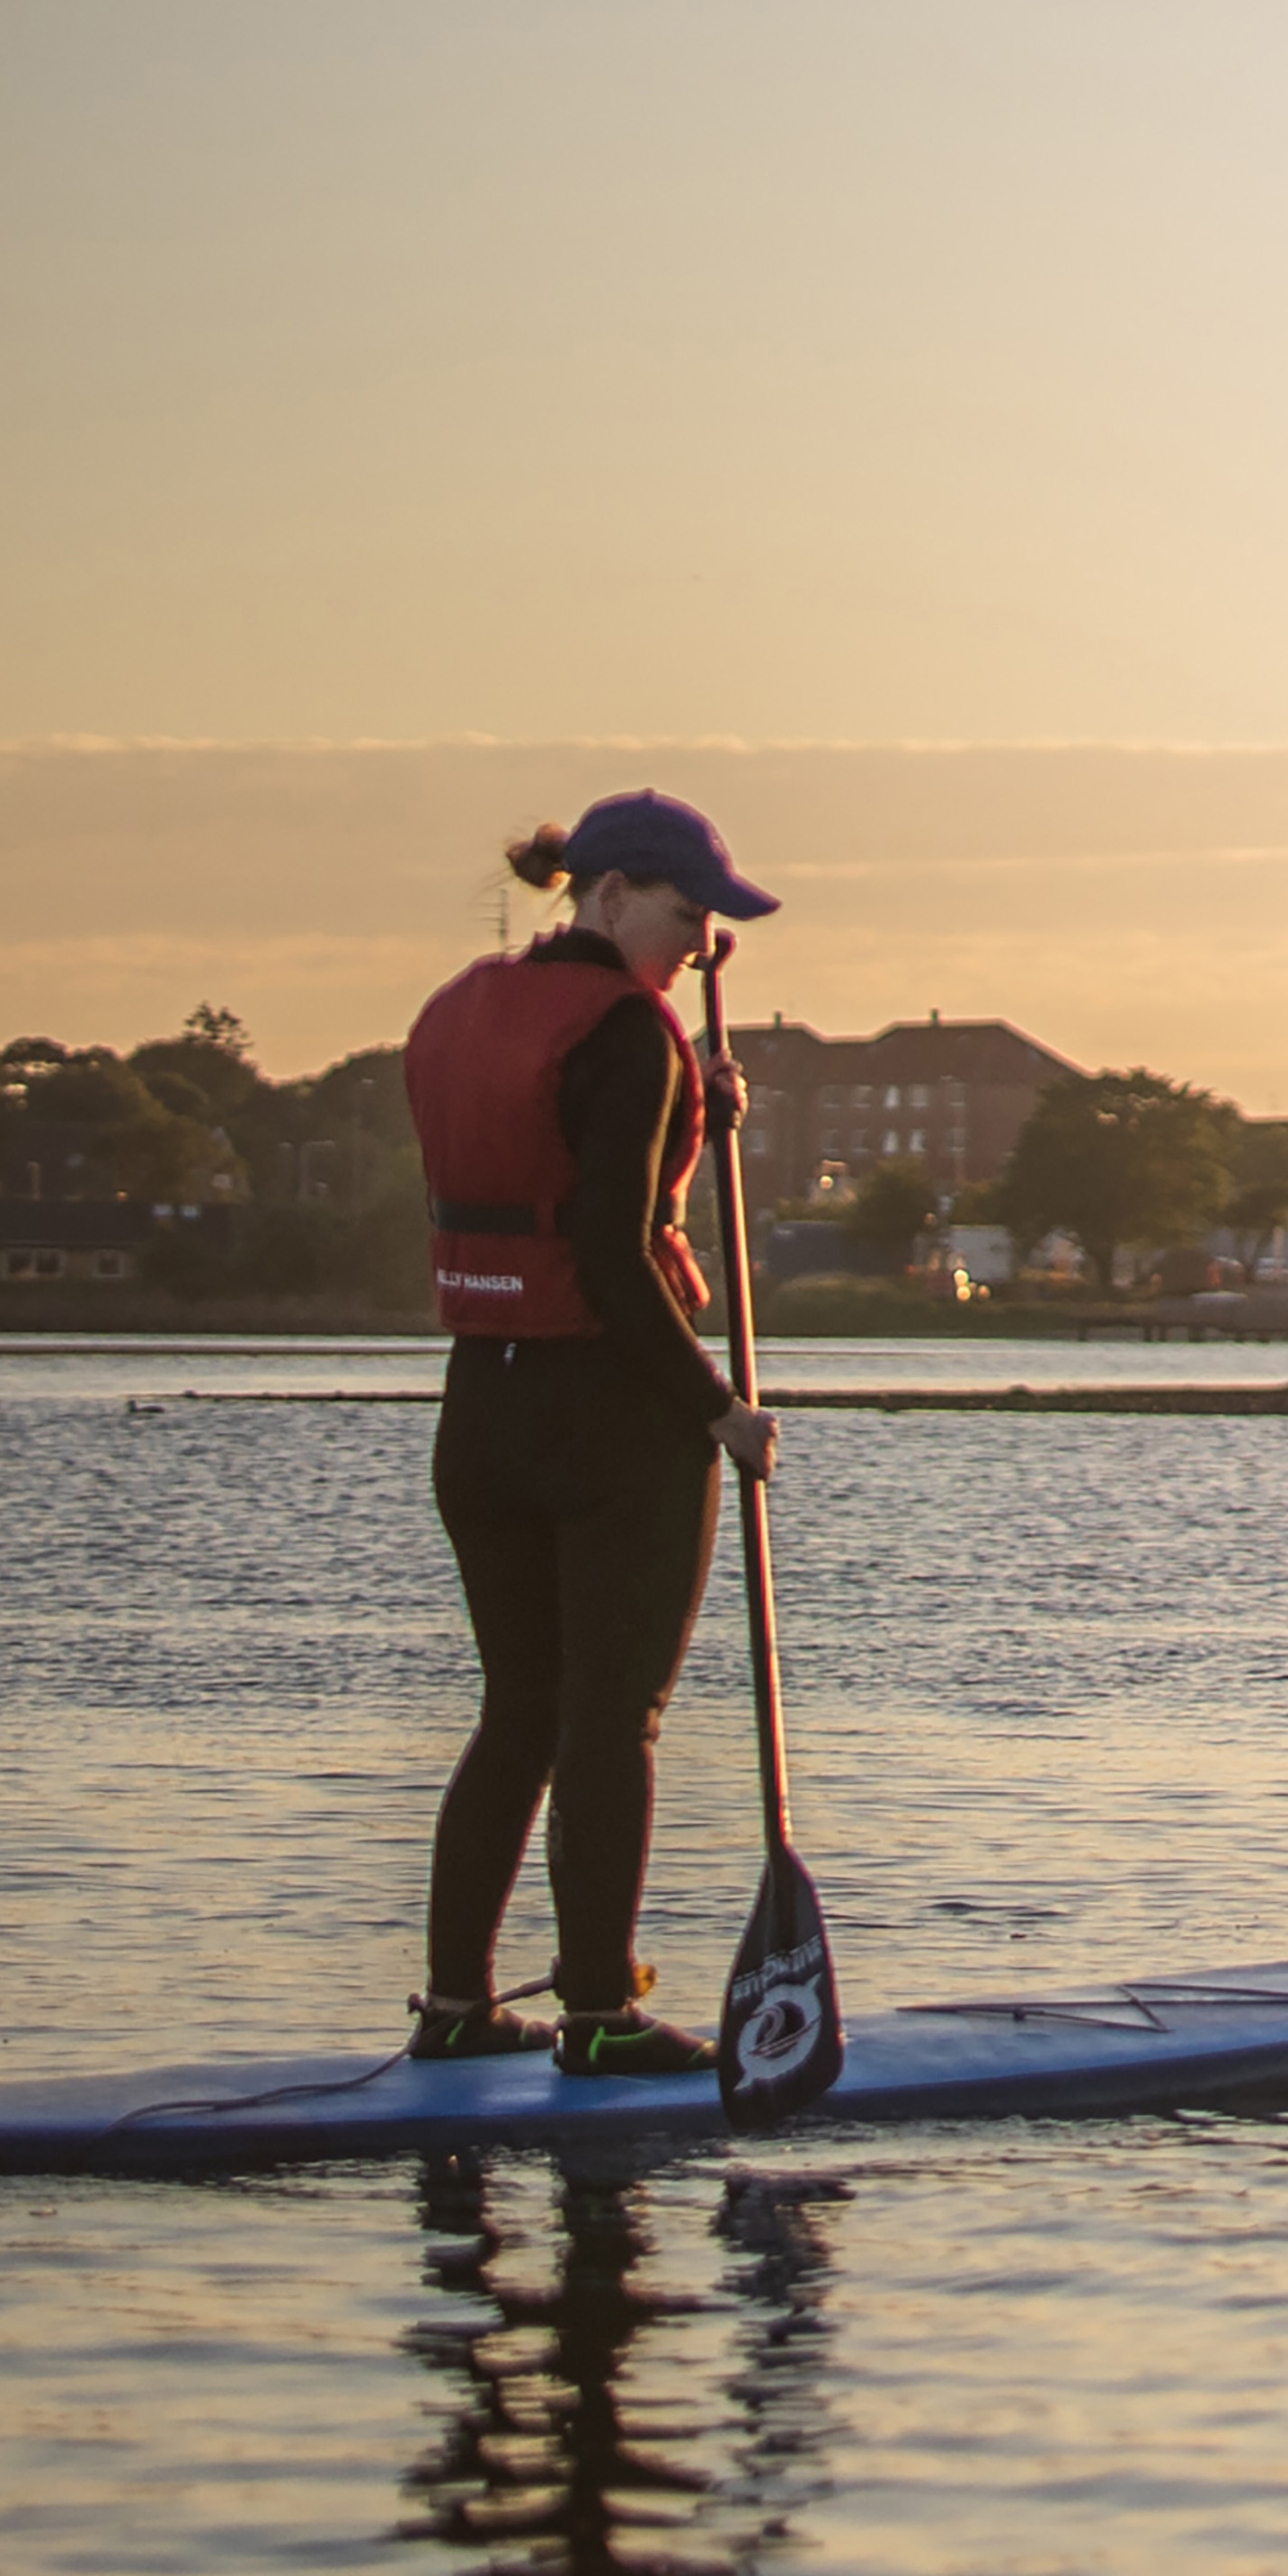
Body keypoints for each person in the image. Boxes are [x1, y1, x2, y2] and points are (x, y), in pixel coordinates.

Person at [400, 792, 786, 2070]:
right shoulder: (629, 1032)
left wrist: (687, 1112)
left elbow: (548, 1157)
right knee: (611, 1722)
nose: (701, 942)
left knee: (519, 1712)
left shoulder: (460, 1008)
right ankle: (602, 2017)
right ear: (610, 895)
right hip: (608, 1416)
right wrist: (718, 1410)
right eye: (686, 913)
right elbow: (613, 1260)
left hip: (481, 1409)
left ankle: (456, 2007)